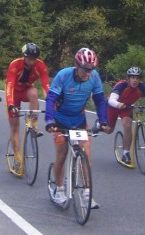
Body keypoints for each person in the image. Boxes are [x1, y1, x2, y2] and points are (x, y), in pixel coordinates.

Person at [44, 47, 109, 209]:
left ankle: (87, 194)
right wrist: (49, 120)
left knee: (85, 151)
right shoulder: (64, 75)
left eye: (91, 70)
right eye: (85, 69)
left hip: (78, 119)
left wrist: (103, 120)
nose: (88, 73)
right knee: (62, 153)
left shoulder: (94, 77)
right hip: (60, 119)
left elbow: (100, 100)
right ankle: (59, 189)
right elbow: (51, 98)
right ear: (77, 65)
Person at [107, 66, 145, 165]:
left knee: (128, 125)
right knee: (109, 130)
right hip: (114, 107)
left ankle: (126, 153)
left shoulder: (141, 87)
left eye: (137, 78)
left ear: (140, 79)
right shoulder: (122, 85)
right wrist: (118, 104)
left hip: (126, 108)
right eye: (133, 78)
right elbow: (111, 100)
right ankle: (99, 125)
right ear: (128, 78)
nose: (135, 80)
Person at [6, 42, 50, 169]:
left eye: (34, 58)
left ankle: (33, 124)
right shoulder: (15, 64)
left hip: (26, 90)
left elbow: (46, 85)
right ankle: (17, 157)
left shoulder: (40, 65)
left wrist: (51, 101)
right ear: (24, 57)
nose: (32, 61)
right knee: (15, 126)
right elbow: (9, 85)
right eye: (29, 58)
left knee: (34, 92)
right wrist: (10, 104)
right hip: (14, 93)